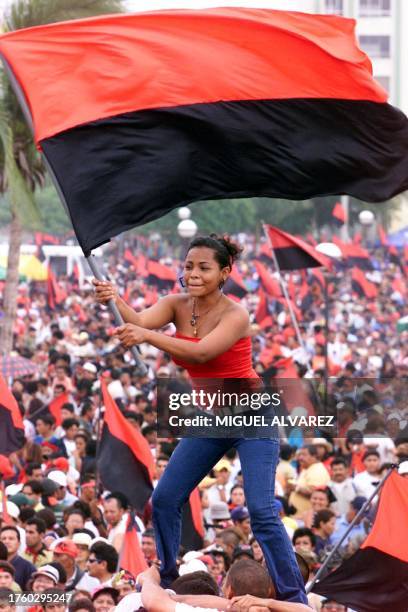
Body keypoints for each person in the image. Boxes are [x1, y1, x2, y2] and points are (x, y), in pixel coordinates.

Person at [93, 234, 307, 604]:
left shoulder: (236, 314)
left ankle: (293, 596)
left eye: (204, 267)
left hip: (253, 416)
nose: (193, 273)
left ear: (224, 273)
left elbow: (203, 353)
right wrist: (115, 298)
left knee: (260, 511)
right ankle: (171, 578)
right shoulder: (176, 304)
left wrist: (145, 336)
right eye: (189, 265)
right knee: (164, 499)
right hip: (213, 417)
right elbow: (141, 319)